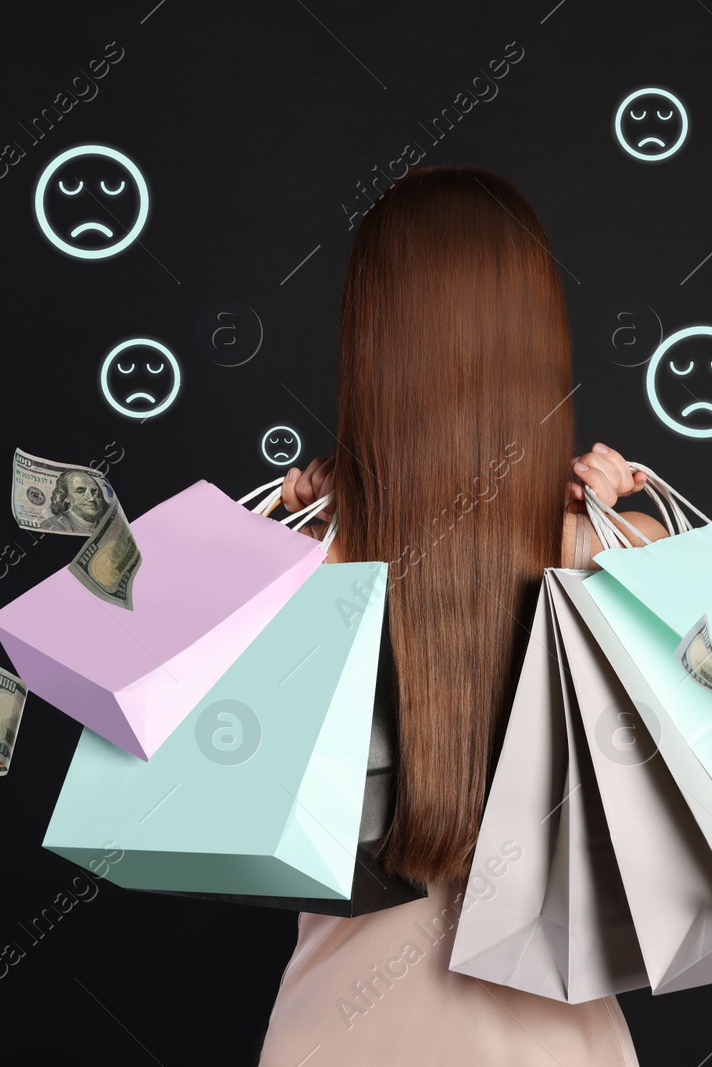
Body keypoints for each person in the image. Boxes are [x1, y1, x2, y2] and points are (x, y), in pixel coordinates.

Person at [258, 166, 668, 1066]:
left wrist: (278, 539)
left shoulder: (299, 558)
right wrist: (640, 538)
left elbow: (197, 762)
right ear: (535, 340)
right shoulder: (612, 552)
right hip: (554, 1044)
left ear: (371, 343)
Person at [42, 470, 110, 534]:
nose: (91, 498)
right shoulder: (53, 525)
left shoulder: (108, 527)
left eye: (95, 491)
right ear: (65, 497)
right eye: (80, 492)